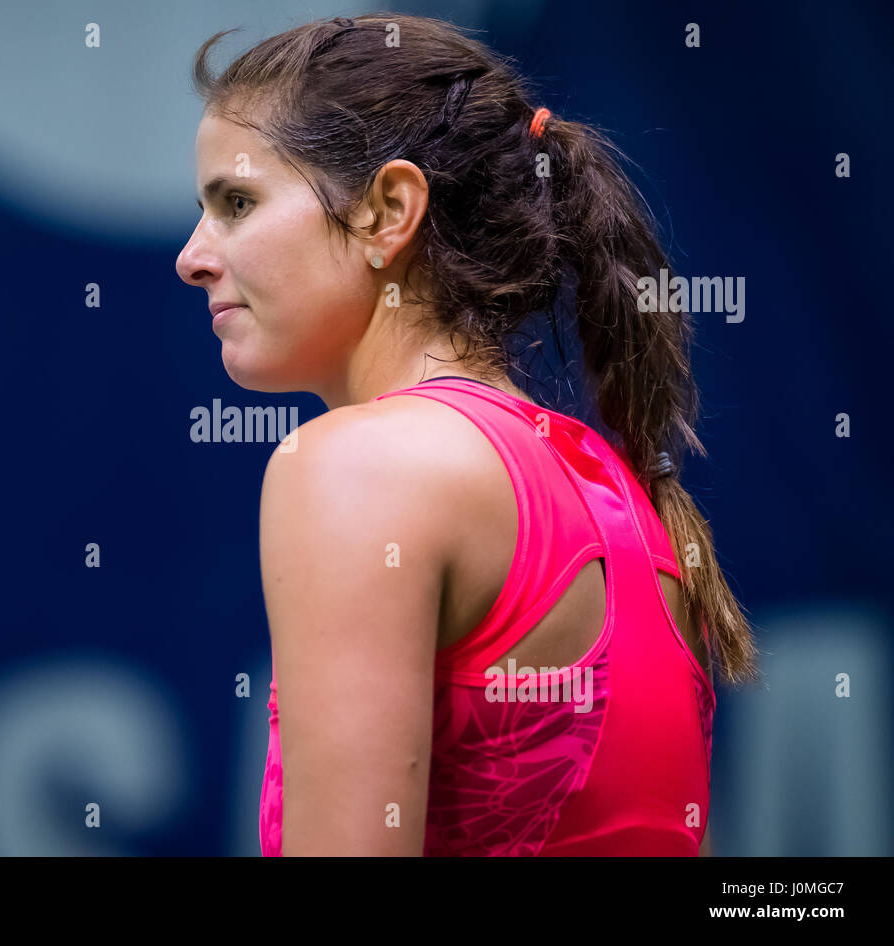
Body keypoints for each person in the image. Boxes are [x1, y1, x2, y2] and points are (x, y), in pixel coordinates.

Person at [175, 13, 758, 856]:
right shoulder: (618, 487)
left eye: (237, 203)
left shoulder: (356, 468)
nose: (193, 256)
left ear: (388, 212)